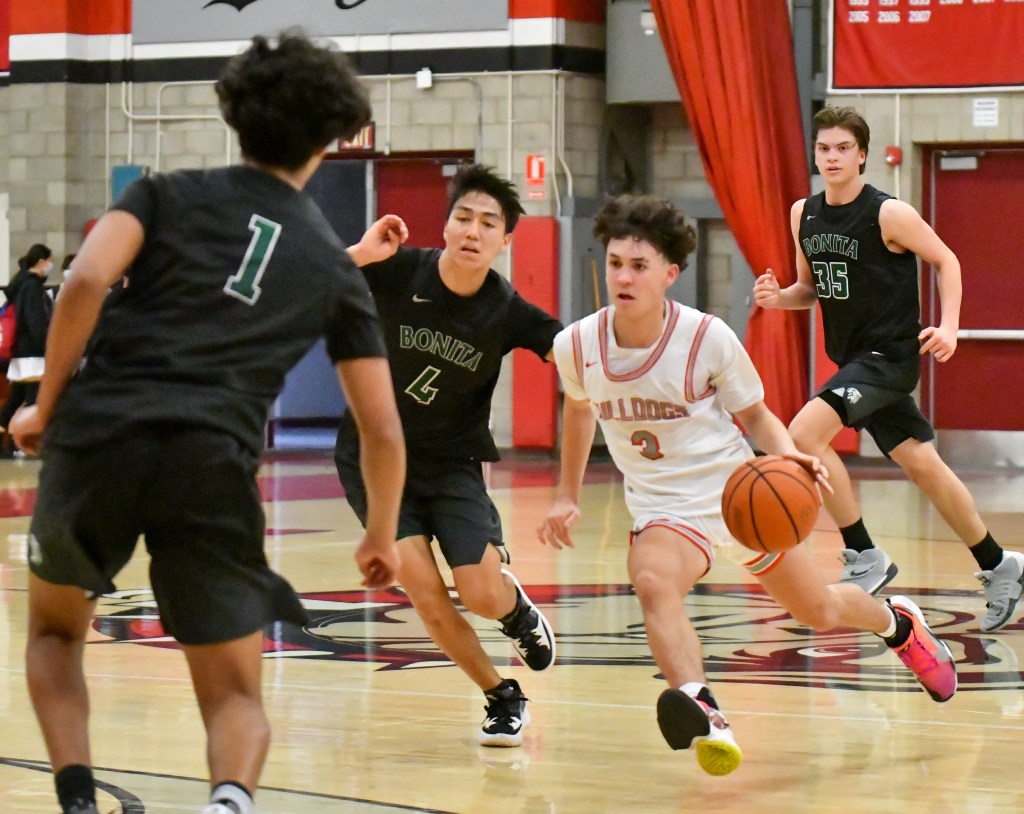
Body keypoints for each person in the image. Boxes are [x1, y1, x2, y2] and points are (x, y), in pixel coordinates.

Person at [10, 32, 405, 814]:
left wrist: (45, 406)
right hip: (210, 462)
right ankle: (228, 802)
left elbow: (86, 279)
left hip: (101, 434)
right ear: (329, 140)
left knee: (54, 634)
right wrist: (380, 534)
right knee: (234, 694)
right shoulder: (331, 267)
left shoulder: (163, 193)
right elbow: (384, 430)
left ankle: (79, 798)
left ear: (235, 115)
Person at [537, 195, 957, 777]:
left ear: (669, 273)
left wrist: (790, 457)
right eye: (614, 264)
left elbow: (756, 415)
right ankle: (703, 708)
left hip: (738, 496)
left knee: (818, 609)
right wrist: (566, 494)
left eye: (638, 266)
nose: (623, 277)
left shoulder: (705, 337)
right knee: (654, 582)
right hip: (665, 510)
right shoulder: (577, 345)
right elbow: (580, 409)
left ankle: (898, 624)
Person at [753, 105, 1021, 632]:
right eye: (824, 148)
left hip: (888, 359)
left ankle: (863, 553)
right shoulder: (803, 213)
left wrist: (950, 326)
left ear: (862, 155)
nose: (832, 157)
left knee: (802, 434)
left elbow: (947, 260)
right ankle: (1000, 564)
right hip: (853, 361)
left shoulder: (888, 213)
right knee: (925, 466)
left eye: (843, 148)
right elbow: (810, 289)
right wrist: (778, 298)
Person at [337, 163, 562, 747]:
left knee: (480, 593)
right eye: (463, 217)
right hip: (374, 458)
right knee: (426, 595)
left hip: (451, 462)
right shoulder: (398, 270)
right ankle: (502, 696)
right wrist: (359, 253)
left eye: (488, 223)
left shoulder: (506, 309)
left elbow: (571, 352)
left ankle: (514, 612)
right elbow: (308, 280)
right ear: (445, 224)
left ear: (505, 241)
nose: (472, 231)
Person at [0, 243, 54, 456]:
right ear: (41, 262)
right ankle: (21, 444)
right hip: (33, 355)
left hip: (23, 353)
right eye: (49, 261)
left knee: (16, 399)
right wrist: (47, 346)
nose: (50, 265)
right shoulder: (31, 286)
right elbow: (35, 321)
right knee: (32, 401)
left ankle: (9, 438)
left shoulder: (21, 284)